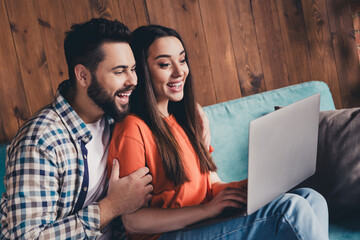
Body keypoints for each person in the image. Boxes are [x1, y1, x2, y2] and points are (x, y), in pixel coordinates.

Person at [107, 25, 329, 240]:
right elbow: (133, 221)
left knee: (311, 198)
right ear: (143, 72)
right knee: (290, 209)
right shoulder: (132, 129)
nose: (179, 71)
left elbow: (210, 184)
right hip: (168, 234)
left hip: (204, 222)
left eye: (182, 60)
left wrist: (255, 186)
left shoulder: (184, 120)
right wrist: (208, 211)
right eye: (165, 64)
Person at [0, 18, 156, 239]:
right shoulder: (41, 140)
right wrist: (112, 206)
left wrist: (192, 114)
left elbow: (164, 101)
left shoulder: (114, 114)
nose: (133, 80)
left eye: (133, 69)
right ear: (83, 75)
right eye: (120, 71)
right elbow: (28, 237)